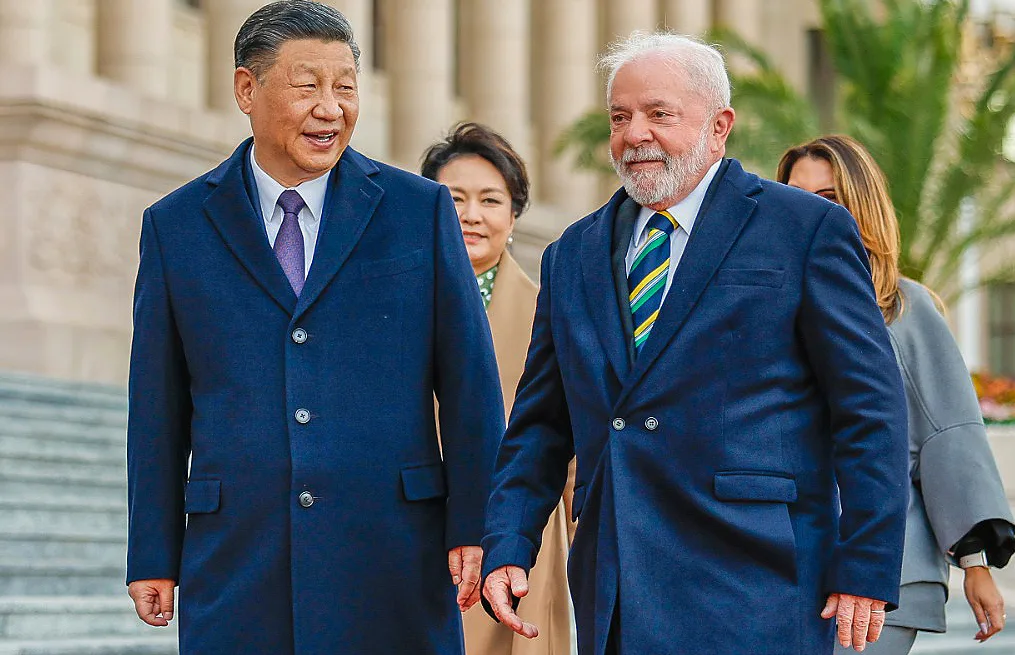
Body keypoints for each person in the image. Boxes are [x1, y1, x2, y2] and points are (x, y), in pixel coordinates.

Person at [480, 32, 910, 655]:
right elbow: (542, 423)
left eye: (659, 114)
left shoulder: (805, 229)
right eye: (620, 117)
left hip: (759, 582)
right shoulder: (570, 254)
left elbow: (870, 410)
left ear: (719, 126)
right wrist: (509, 543)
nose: (634, 135)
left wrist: (865, 567)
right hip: (617, 584)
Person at [125, 2, 504, 653]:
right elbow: (156, 406)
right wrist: (152, 550)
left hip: (393, 555)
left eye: (345, 87)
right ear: (247, 88)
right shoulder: (176, 225)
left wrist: (480, 524)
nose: (331, 108)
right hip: (238, 562)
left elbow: (470, 384)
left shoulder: (419, 212)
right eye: (307, 87)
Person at [779, 134, 1015, 655]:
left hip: (888, 568)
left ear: (861, 207)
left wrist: (975, 565)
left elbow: (949, 434)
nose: (809, 212)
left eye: (830, 199)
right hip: (788, 563)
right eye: (796, 196)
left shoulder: (904, 308)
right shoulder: (773, 308)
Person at [421, 122, 575, 655]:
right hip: (417, 526)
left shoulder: (548, 310)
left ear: (513, 215)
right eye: (453, 198)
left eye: (491, 200)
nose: (471, 215)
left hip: (515, 535)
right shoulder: (389, 308)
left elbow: (571, 434)